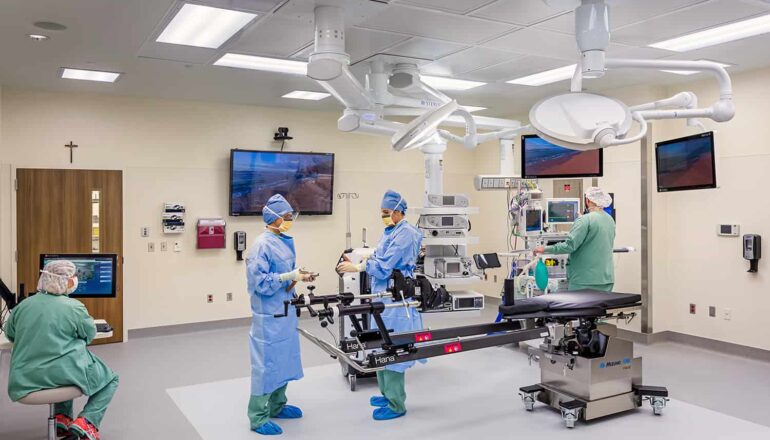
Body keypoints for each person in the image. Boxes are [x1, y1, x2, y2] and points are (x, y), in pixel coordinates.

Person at [5, 260, 119, 440]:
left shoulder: (23, 306)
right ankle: (88, 422)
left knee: (63, 367)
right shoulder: (74, 308)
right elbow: (89, 335)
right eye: (73, 276)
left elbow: (11, 334)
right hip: (64, 374)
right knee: (111, 379)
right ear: (67, 281)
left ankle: (62, 418)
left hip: (24, 380)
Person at [336, 189, 424, 421]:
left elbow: (385, 265)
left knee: (393, 350)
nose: (383, 216)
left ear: (399, 211)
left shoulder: (406, 233)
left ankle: (396, 404)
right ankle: (386, 394)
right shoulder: (391, 230)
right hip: (383, 297)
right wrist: (363, 261)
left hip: (397, 299)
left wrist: (360, 267)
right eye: (382, 212)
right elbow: (379, 256)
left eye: (386, 212)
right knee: (381, 347)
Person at [246, 194, 316, 436]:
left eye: (290, 217)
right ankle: (257, 416)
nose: (289, 220)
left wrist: (297, 276)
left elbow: (284, 274)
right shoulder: (261, 246)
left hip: (285, 311)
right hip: (268, 315)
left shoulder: (282, 240)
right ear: (273, 218)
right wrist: (287, 277)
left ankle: (277, 405)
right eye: (286, 217)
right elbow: (260, 283)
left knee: (284, 359)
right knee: (267, 365)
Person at [534, 187, 616, 291]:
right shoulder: (609, 220)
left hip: (585, 281)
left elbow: (570, 246)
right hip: (606, 279)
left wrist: (545, 249)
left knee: (581, 308)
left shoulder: (584, 220)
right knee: (600, 307)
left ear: (588, 200)